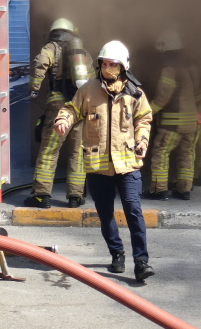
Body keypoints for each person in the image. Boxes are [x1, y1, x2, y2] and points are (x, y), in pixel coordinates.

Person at [54, 40, 156, 282]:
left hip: (128, 163)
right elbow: (71, 109)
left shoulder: (134, 92)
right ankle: (117, 254)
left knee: (133, 210)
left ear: (123, 67)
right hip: (98, 166)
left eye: (114, 64)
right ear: (99, 65)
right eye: (105, 64)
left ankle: (141, 261)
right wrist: (63, 120)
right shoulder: (88, 90)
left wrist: (142, 140)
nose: (109, 68)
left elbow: (144, 119)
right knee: (105, 213)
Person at [25, 18, 93, 209]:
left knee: (49, 151)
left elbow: (40, 63)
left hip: (57, 106)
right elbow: (92, 80)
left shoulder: (51, 47)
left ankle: (41, 196)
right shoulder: (83, 53)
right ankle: (75, 197)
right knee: (77, 154)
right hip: (79, 107)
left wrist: (34, 88)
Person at [142, 30, 198, 200]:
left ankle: (158, 190)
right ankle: (184, 189)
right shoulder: (188, 69)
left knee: (160, 152)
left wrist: (147, 112)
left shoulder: (169, 70)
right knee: (186, 154)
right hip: (190, 123)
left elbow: (164, 95)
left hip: (172, 124)